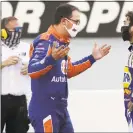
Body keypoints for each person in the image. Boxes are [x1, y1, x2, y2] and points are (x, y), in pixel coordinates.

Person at [28, 3, 111, 133]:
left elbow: (69, 70)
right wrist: (51, 59)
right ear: (64, 21)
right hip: (45, 109)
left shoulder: (63, 42)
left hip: (61, 109)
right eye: (76, 22)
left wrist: (92, 58)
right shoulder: (45, 41)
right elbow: (32, 71)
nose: (78, 26)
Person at [1, 16, 30, 133]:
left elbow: (41, 68)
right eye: (13, 30)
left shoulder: (28, 47)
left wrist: (31, 68)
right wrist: (3, 64)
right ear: (3, 31)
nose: (17, 33)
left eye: (18, 30)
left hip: (20, 102)